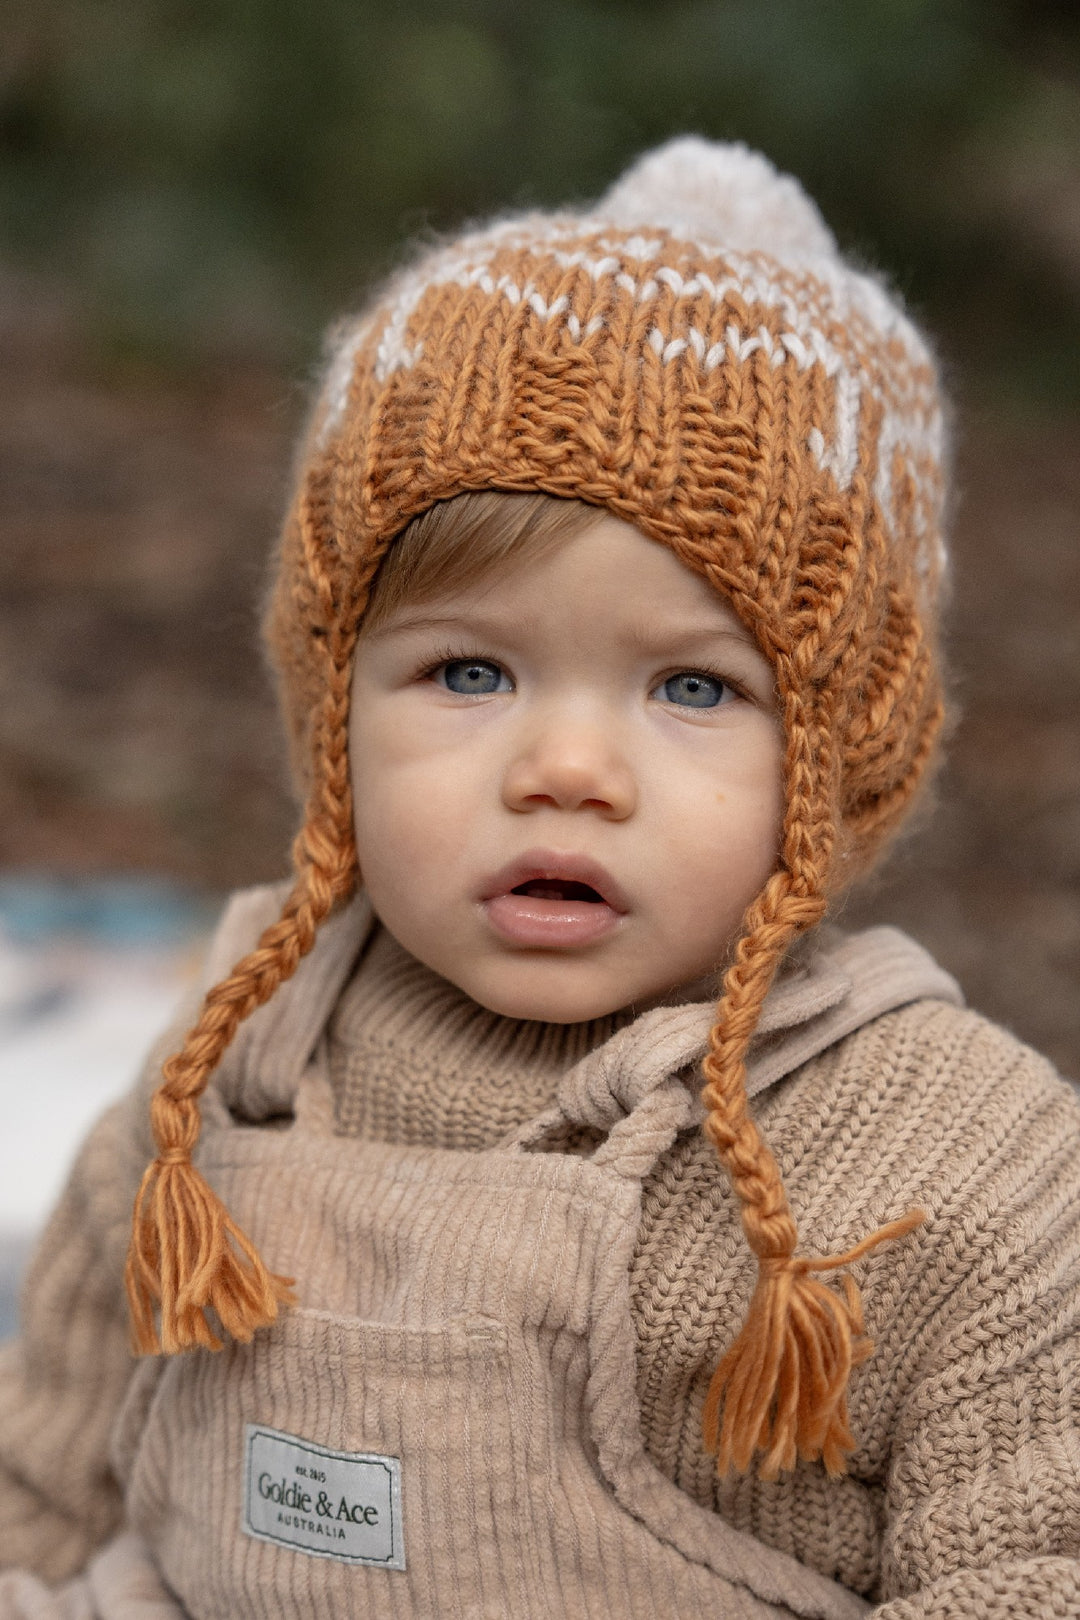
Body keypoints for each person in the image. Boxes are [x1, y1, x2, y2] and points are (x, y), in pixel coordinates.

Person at [1, 136, 1078, 1620]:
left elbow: (1035, 1570)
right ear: (332, 702)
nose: (567, 766)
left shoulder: (957, 1167)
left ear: (840, 751)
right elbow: (49, 1476)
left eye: (694, 691)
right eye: (467, 670)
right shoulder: (231, 1057)